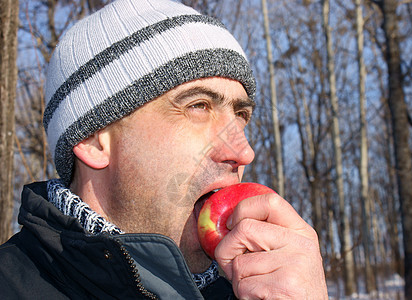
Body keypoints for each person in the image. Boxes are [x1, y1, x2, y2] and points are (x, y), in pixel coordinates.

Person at [0, 0, 328, 299]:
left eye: (240, 116)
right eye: (199, 106)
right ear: (94, 140)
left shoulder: (255, 287)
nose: (243, 153)